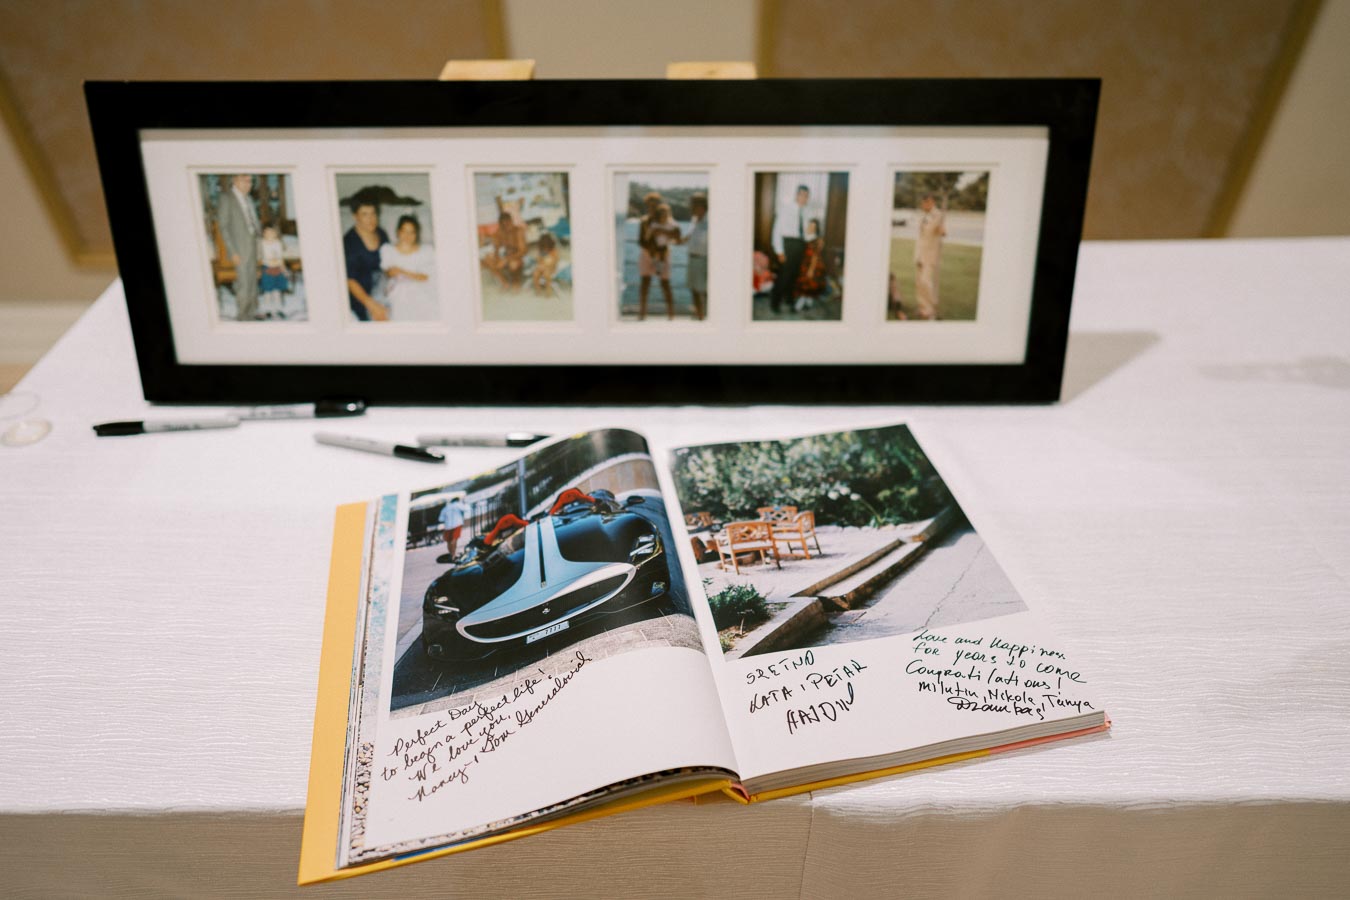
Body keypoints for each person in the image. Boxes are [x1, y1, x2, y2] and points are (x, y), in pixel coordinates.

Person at [216, 174, 260, 321]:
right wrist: (232, 251)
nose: (249, 184)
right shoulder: (226, 198)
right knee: (244, 283)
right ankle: (242, 316)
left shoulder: (249, 198)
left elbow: (253, 222)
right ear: (235, 180)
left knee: (253, 280)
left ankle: (252, 311)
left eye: (251, 181)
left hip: (252, 245)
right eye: (246, 181)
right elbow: (223, 228)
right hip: (239, 249)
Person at [379, 215, 437, 321]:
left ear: (416, 234)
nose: (407, 236)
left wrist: (402, 271)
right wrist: (410, 274)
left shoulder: (426, 251)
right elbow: (390, 272)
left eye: (412, 232)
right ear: (398, 232)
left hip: (421, 288)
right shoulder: (388, 250)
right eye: (404, 231)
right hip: (397, 289)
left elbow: (424, 277)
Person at [343, 198, 389, 321]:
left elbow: (388, 263)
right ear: (355, 216)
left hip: (381, 289)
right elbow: (350, 280)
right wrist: (372, 305)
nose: (371, 219)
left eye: (373, 213)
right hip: (360, 297)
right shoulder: (349, 242)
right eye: (365, 214)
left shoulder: (381, 233)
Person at [769, 183, 812, 314]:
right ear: (797, 195)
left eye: (807, 196)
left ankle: (789, 300)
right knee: (784, 276)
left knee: (794, 276)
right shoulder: (786, 209)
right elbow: (776, 231)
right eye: (802, 195)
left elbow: (806, 233)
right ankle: (775, 303)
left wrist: (814, 237)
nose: (804, 198)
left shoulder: (806, 213)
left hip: (800, 245)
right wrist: (780, 251)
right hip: (788, 245)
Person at [914, 193, 946, 320]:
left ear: (930, 202)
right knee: (919, 283)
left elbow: (938, 230)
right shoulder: (924, 215)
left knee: (926, 282)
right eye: (922, 203)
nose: (922, 205)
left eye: (924, 203)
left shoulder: (937, 215)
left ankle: (930, 309)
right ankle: (923, 308)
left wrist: (942, 231)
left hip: (930, 255)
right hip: (920, 254)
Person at [635, 191, 665, 320]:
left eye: (655, 204)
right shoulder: (644, 221)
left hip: (661, 255)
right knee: (645, 284)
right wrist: (650, 249)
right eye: (650, 205)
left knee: (665, 283)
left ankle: (670, 313)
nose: (652, 207)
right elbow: (640, 241)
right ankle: (642, 312)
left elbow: (668, 238)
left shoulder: (664, 219)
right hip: (647, 255)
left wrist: (658, 251)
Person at [482, 210, 526, 289]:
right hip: (506, 254)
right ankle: (504, 282)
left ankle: (516, 281)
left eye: (508, 223)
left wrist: (506, 259)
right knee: (487, 259)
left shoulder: (518, 231)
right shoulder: (501, 231)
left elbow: (522, 251)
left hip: (518, 256)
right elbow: (496, 246)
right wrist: (496, 255)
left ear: (511, 221)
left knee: (513, 264)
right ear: (501, 224)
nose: (506, 226)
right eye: (503, 225)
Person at [257, 224, 289, 319]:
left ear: (275, 234)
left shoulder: (278, 243)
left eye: (271, 232)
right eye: (266, 232)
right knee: (267, 291)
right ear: (263, 234)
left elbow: (281, 257)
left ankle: (278, 309)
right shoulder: (262, 243)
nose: (269, 234)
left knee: (277, 291)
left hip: (277, 269)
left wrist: (284, 269)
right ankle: (267, 310)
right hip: (267, 269)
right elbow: (259, 257)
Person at [685, 192, 708, 321]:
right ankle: (700, 317)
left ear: (701, 206)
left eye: (692, 205)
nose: (690, 207)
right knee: (693, 290)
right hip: (692, 259)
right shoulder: (694, 220)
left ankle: (706, 319)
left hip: (703, 260)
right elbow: (687, 237)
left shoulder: (710, 221)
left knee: (705, 292)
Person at [794, 218, 826, 310]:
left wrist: (811, 269)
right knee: (806, 284)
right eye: (810, 225)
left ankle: (800, 304)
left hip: (813, 265)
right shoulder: (804, 236)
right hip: (804, 264)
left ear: (816, 228)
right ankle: (808, 302)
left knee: (808, 283)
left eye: (813, 226)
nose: (811, 228)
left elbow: (815, 256)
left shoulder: (817, 240)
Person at [438, 492, 469, 561]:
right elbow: (467, 509)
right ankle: (453, 555)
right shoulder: (458, 505)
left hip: (448, 526)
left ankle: (451, 554)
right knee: (454, 540)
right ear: (457, 500)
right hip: (457, 524)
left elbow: (440, 519)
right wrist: (464, 503)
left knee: (449, 541)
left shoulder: (445, 508)